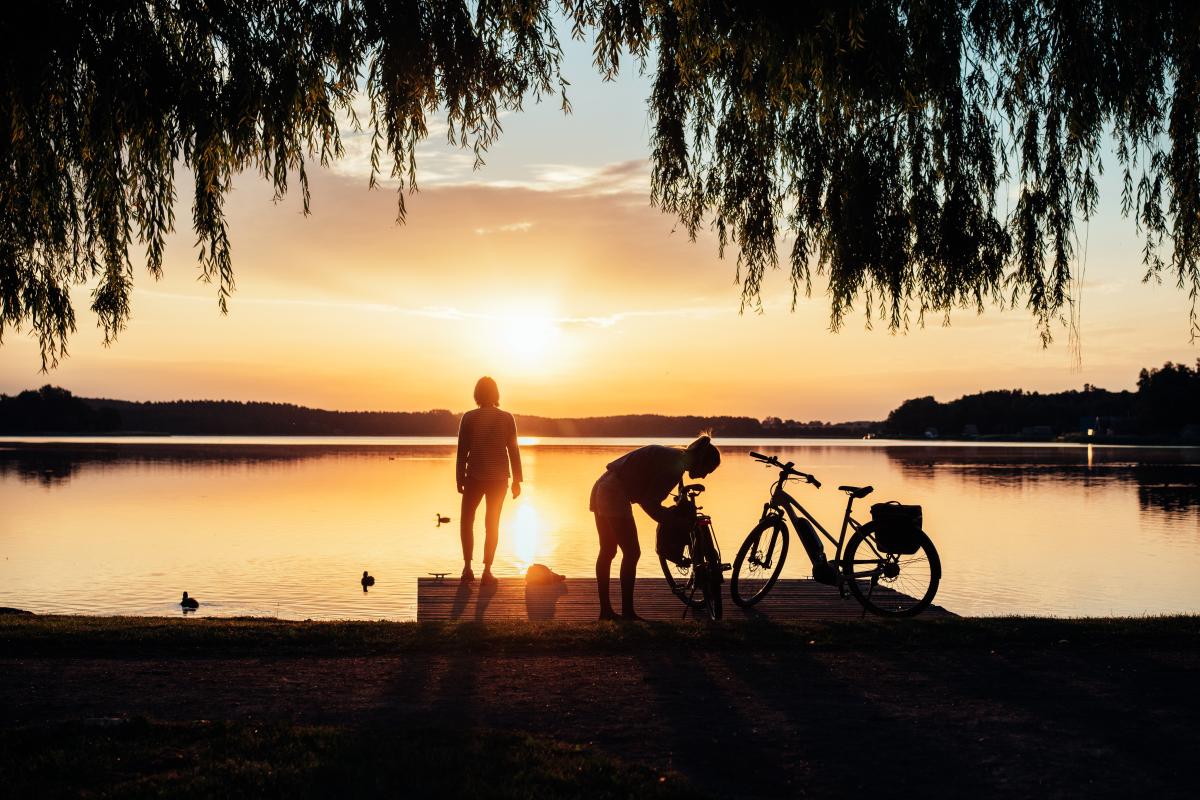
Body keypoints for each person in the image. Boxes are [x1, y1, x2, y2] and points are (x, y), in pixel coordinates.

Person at [589, 435, 721, 620]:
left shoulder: (677, 456)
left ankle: (606, 612)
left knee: (608, 551)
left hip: (603, 484)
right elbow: (649, 504)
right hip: (613, 492)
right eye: (707, 469)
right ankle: (626, 612)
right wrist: (676, 522)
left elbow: (652, 496)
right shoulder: (675, 466)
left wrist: (670, 514)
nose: (705, 475)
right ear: (700, 460)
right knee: (631, 552)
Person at [456, 376, 523, 586]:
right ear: (496, 394)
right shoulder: (506, 418)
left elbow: (462, 451)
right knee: (491, 524)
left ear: (476, 394)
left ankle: (467, 568)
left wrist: (459, 477)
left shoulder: (469, 417)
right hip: (498, 478)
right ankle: (487, 570)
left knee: (467, 521)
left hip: (474, 476)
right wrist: (517, 480)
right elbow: (513, 449)